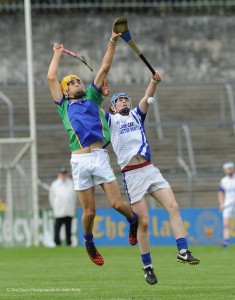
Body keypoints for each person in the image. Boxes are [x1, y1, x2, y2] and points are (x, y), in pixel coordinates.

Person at [47, 29, 138, 266]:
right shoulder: (63, 106)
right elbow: (50, 78)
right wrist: (57, 54)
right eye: (71, 82)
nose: (76, 83)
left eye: (77, 80)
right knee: (89, 214)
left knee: (117, 204)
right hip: (79, 162)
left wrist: (112, 40)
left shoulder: (92, 97)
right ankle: (88, 241)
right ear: (65, 91)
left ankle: (133, 220)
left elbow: (105, 67)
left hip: (98, 157)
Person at [103, 71, 200, 285]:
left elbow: (147, 97)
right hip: (132, 175)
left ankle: (183, 250)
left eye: (125, 99)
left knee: (173, 206)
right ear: (113, 107)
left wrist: (153, 81)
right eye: (118, 101)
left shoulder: (137, 115)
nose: (123, 102)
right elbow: (96, 107)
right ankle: (147, 267)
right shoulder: (111, 120)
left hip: (149, 169)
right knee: (144, 223)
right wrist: (101, 90)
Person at [49, 167, 77, 246]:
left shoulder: (71, 183)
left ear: (67, 174)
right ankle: (56, 242)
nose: (63, 175)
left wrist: (72, 206)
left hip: (69, 209)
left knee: (68, 228)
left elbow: (74, 197)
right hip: (59, 210)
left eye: (64, 173)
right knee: (57, 227)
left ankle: (69, 243)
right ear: (59, 174)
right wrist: (55, 207)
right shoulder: (55, 184)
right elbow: (51, 197)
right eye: (62, 173)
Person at [218, 161, 235, 248]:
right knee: (226, 224)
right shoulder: (223, 181)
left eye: (230, 168)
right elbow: (221, 192)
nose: (229, 170)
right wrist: (221, 203)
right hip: (228, 204)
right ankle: (226, 241)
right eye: (227, 169)